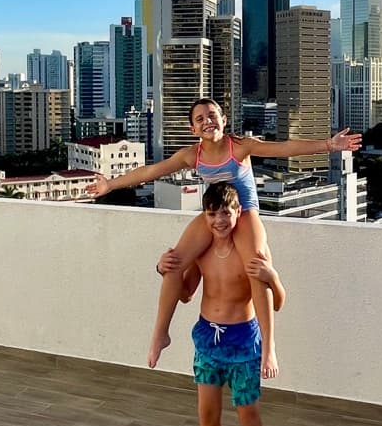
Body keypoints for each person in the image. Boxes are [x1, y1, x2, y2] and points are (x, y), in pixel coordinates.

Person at [86, 98, 360, 369]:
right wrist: (110, 185)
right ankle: (160, 333)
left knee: (256, 265)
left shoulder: (240, 146)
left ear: (224, 120)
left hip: (245, 212)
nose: (208, 121)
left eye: (212, 115)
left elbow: (284, 148)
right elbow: (152, 171)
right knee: (173, 261)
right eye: (200, 119)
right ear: (193, 129)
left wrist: (328, 145)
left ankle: (268, 347)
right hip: (216, 213)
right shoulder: (191, 155)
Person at [166, 182, 279, 426]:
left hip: (244, 344)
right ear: (205, 215)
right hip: (207, 340)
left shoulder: (252, 253)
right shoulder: (202, 253)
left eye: (226, 212)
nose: (219, 220)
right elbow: (185, 294)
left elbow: (277, 302)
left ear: (238, 213)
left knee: (248, 420)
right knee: (207, 417)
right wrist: (163, 267)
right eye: (212, 213)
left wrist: (272, 278)